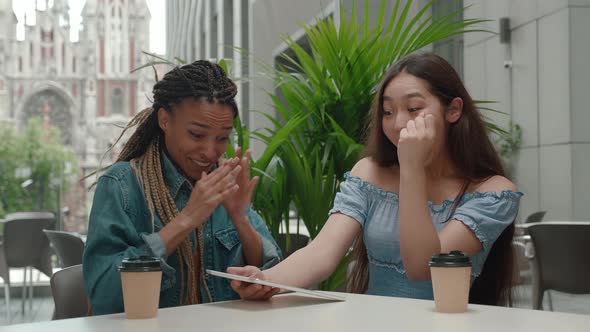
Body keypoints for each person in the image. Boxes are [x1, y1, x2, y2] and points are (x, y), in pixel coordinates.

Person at [228, 52, 523, 306]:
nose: (398, 124)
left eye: (414, 109)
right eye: (388, 111)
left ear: (454, 110)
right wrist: (267, 279)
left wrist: (411, 169)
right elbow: (322, 253)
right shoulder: (368, 172)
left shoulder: (492, 192)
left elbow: (423, 266)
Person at [83, 60, 282, 315]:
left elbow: (271, 270)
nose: (210, 152)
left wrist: (240, 219)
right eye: (197, 135)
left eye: (222, 138)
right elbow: (103, 294)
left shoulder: (223, 184)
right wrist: (187, 219)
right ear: (165, 120)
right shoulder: (122, 185)